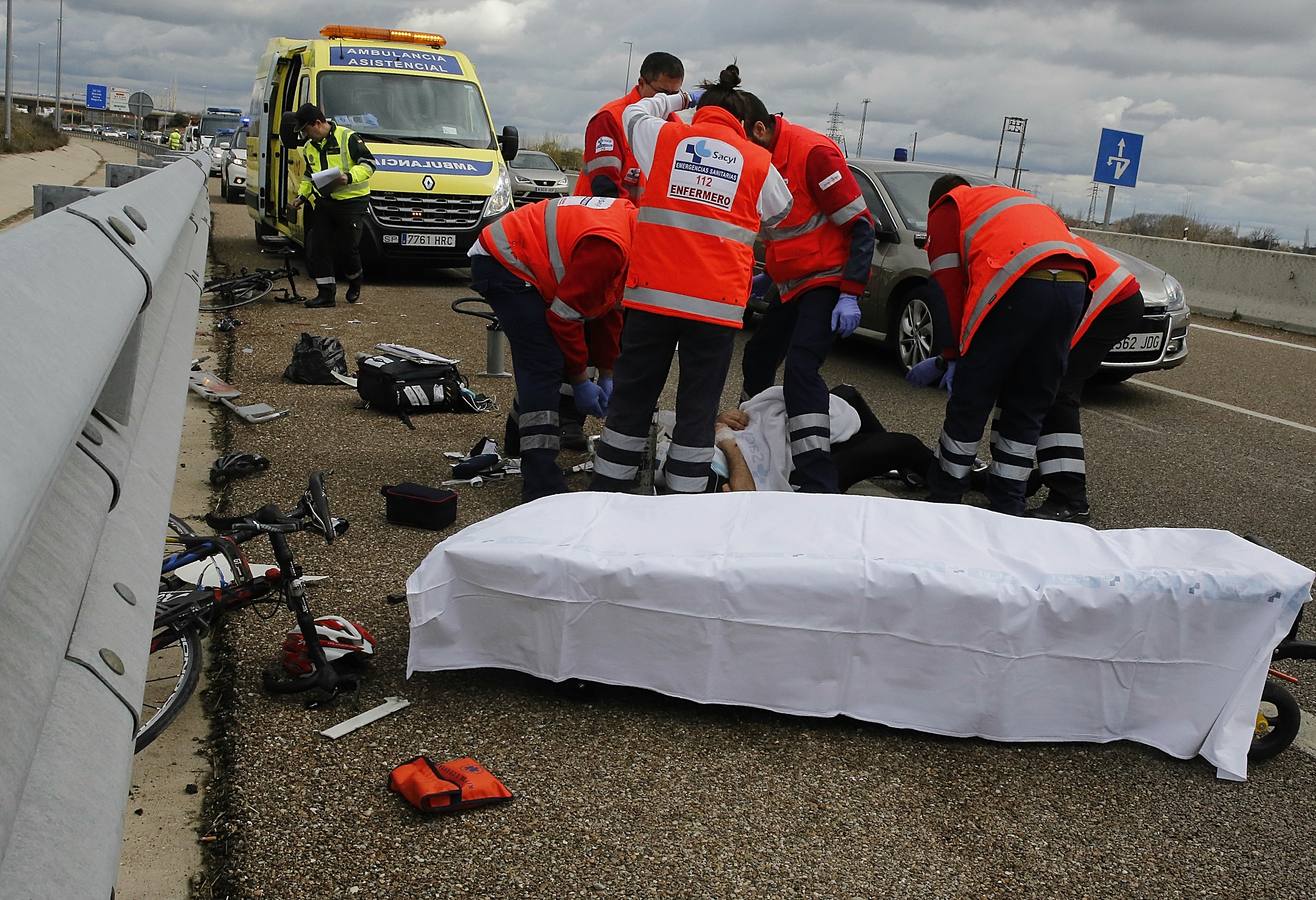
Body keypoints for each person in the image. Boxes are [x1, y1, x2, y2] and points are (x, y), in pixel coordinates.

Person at [588, 64, 793, 495]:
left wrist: (678, 99)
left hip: (652, 297)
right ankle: (684, 503)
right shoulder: (758, 161)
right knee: (697, 410)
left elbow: (633, 113)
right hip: (715, 307)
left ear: (700, 110)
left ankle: (608, 494)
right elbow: (782, 210)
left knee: (632, 401)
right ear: (742, 121)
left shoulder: (663, 137)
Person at [906, 175, 1093, 516]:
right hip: (1073, 285)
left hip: (1017, 284)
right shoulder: (1011, 200)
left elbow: (947, 287)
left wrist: (950, 355)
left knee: (972, 398)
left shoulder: (948, 207)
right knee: (1028, 401)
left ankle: (946, 495)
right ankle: (1008, 502)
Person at [739, 94, 876, 492]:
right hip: (795, 282)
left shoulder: (812, 154)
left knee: (801, 367)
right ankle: (757, 441)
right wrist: (768, 278)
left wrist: (850, 292)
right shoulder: (764, 161)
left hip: (828, 279)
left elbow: (861, 227)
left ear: (760, 130)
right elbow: (787, 231)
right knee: (758, 355)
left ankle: (817, 476)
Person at [470, 195, 636, 501]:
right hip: (505, 262)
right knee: (543, 363)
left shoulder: (630, 227)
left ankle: (518, 438)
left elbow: (605, 309)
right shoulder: (610, 248)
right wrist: (580, 380)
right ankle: (541, 483)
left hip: (515, 254)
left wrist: (607, 371)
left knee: (548, 358)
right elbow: (564, 316)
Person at [1024, 235, 1145, 522]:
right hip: (1105, 291)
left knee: (1057, 389)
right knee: (1039, 380)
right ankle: (1042, 473)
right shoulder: (1019, 226)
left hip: (1105, 298)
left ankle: (1070, 499)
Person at [715, 384, 934, 494]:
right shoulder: (701, 482)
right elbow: (745, 495)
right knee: (905, 444)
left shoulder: (685, 441)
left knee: (846, 394)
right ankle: (946, 477)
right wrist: (727, 441)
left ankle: (906, 467)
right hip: (798, 476)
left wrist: (721, 419)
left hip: (774, 440)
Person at [288, 103, 376, 309]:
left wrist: (350, 177)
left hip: (352, 201)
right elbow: (310, 176)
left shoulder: (348, 138)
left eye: (306, 130)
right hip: (325, 201)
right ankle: (325, 294)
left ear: (317, 124)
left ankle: (355, 279)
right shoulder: (310, 147)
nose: (305, 136)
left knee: (348, 248)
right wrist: (301, 196)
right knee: (318, 246)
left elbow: (369, 164)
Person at [576, 51, 684, 201]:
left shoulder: (676, 126)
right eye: (662, 93)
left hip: (641, 221)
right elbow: (605, 187)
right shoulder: (610, 118)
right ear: (641, 83)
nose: (668, 101)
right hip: (602, 219)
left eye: (675, 95)